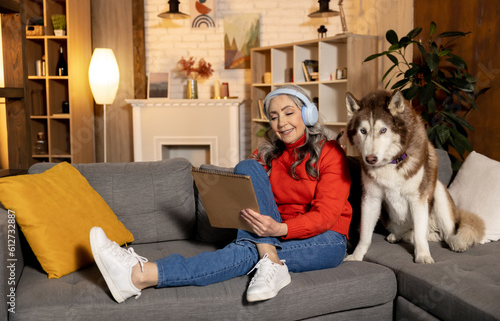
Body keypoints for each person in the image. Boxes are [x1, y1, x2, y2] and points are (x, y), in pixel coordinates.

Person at [90, 84, 352, 303]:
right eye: (274, 116)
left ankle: (141, 273)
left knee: (247, 252)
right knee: (247, 166)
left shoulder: (330, 152)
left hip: (327, 240)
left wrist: (279, 230)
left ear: (307, 114)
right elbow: (249, 199)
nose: (281, 123)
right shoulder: (269, 156)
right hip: (272, 234)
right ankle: (270, 260)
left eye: (289, 113)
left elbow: (326, 215)